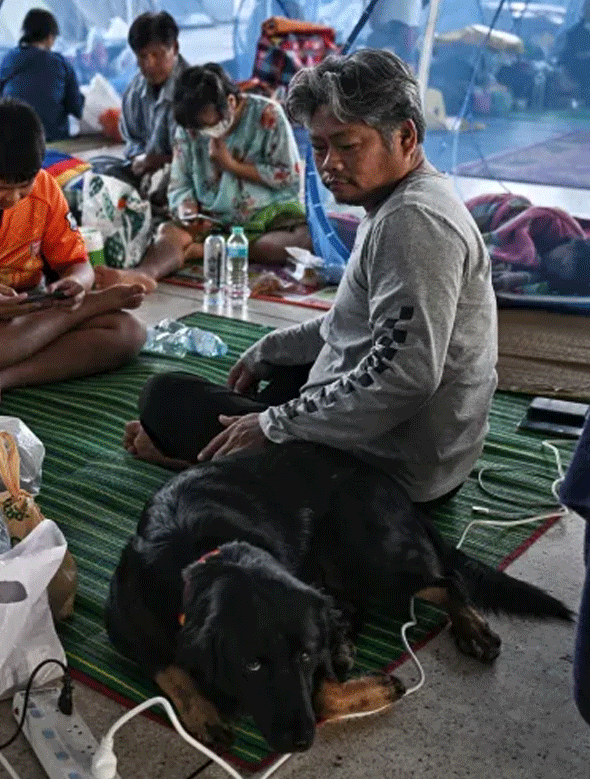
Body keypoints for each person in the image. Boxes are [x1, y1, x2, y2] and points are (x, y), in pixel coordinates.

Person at [123, 49, 498, 510]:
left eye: (347, 145)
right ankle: (239, 456)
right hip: (412, 448)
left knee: (164, 397)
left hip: (393, 475)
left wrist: (275, 424)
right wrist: (269, 349)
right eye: (320, 147)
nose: (328, 164)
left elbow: (406, 376)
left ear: (405, 136)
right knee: (278, 366)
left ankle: (201, 469)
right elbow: (350, 327)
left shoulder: (413, 222)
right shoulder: (399, 202)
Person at [0, 98, 146, 400]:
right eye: (0, 187)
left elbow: (78, 266)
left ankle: (3, 378)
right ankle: (75, 316)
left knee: (129, 334)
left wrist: (76, 286)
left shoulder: (45, 188)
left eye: (23, 185)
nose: (13, 198)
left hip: (32, 310)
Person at [99, 63, 307, 291]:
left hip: (267, 215)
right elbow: (180, 183)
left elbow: (289, 176)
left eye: (210, 125)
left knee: (298, 240)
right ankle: (144, 274)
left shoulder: (267, 115)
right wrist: (187, 210)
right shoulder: (189, 128)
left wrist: (231, 165)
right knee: (168, 234)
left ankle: (211, 249)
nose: (204, 133)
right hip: (211, 219)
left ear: (230, 102)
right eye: (199, 128)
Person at [118, 11, 187, 195]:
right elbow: (131, 139)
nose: (149, 64)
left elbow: (200, 157)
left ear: (175, 48)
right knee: (98, 172)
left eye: (157, 54)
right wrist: (139, 158)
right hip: (144, 171)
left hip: (186, 176)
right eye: (142, 56)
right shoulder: (134, 90)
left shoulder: (193, 90)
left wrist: (153, 161)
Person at [0, 9, 83, 142]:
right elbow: (76, 109)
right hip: (51, 135)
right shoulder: (60, 63)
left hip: (10, 134)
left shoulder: (9, 59)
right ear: (50, 37)